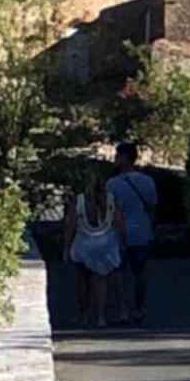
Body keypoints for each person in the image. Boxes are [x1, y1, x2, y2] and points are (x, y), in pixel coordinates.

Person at [64, 163, 125, 329]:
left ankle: (83, 316)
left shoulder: (79, 202)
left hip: (84, 244)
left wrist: (66, 247)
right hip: (105, 246)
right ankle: (101, 316)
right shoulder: (111, 201)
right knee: (102, 279)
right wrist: (122, 243)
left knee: (83, 280)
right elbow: (119, 224)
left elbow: (70, 226)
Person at [107, 141, 158, 325]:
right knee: (140, 272)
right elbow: (152, 209)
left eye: (117, 156)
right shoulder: (147, 181)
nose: (114, 159)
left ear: (124, 158)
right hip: (142, 233)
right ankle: (139, 307)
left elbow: (110, 211)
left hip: (119, 235)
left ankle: (122, 309)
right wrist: (152, 230)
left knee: (118, 272)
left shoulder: (112, 184)